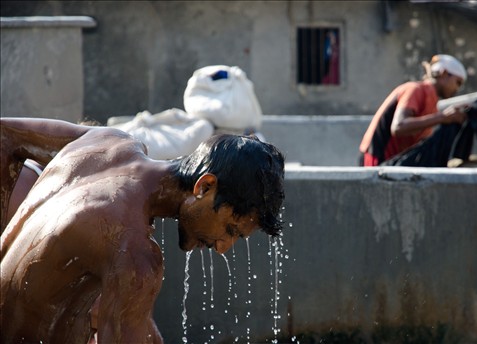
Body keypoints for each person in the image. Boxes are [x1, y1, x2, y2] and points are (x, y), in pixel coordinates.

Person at [0, 117, 285, 343]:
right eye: (231, 229)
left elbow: (4, 134)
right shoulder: (135, 254)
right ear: (204, 187)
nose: (223, 246)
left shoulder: (106, 141)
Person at [359, 54, 468, 166]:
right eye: (458, 82)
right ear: (444, 73)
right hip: (376, 159)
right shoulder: (415, 89)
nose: (457, 89)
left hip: (394, 162)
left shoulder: (432, 105)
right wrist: (443, 117)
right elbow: (399, 126)